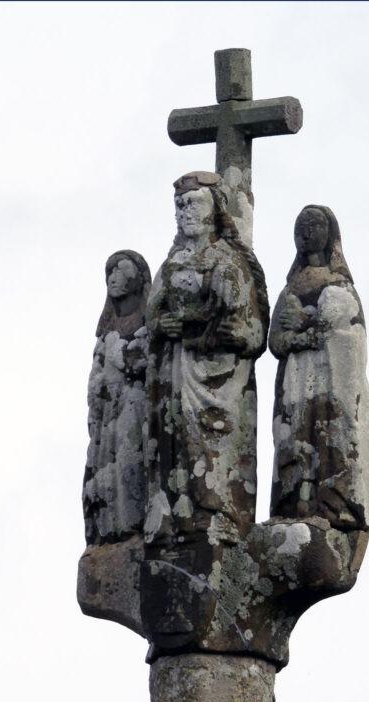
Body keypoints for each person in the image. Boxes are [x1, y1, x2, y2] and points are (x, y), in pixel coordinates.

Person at [144, 171, 269, 547]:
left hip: (215, 376)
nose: (185, 212)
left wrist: (203, 329)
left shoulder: (228, 261)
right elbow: (153, 315)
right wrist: (162, 324)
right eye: (179, 205)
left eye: (193, 203)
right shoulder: (171, 262)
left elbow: (251, 332)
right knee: (173, 439)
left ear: (214, 210)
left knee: (210, 443)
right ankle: (175, 512)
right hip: (174, 371)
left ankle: (216, 513)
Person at [269, 205, 369, 530]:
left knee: (329, 437)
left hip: (330, 380)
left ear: (329, 234)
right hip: (295, 380)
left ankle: (331, 507)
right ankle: (293, 507)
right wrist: (295, 338)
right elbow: (275, 340)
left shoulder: (341, 285)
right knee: (293, 440)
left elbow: (353, 335)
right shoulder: (290, 289)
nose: (305, 231)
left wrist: (310, 325)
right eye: (300, 225)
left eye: (314, 224)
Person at [82, 249, 151, 543]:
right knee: (100, 475)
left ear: (139, 279)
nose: (114, 278)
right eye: (110, 272)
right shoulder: (105, 333)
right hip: (106, 415)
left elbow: (144, 362)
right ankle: (107, 529)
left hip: (133, 407)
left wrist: (119, 353)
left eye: (122, 270)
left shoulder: (147, 324)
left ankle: (132, 525)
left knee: (130, 465)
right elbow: (95, 378)